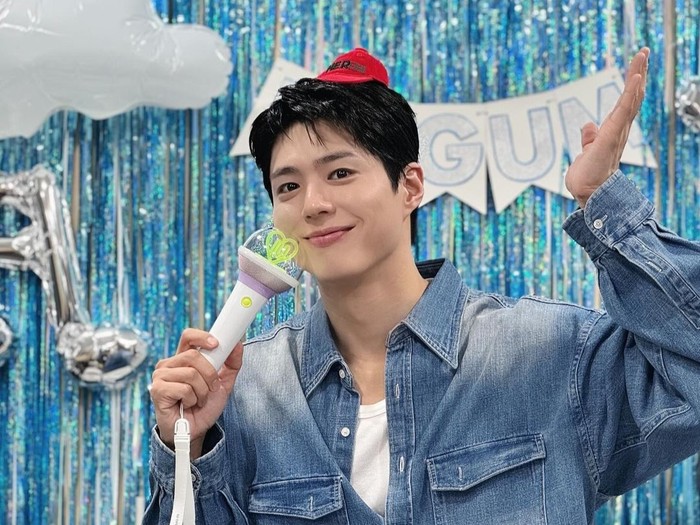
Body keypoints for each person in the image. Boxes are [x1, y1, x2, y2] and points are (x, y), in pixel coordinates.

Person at [144, 47, 700, 524]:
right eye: (288, 187)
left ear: (410, 187)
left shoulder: (554, 354)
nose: (313, 204)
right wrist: (183, 445)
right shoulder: (245, 391)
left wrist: (606, 206)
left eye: (340, 173)